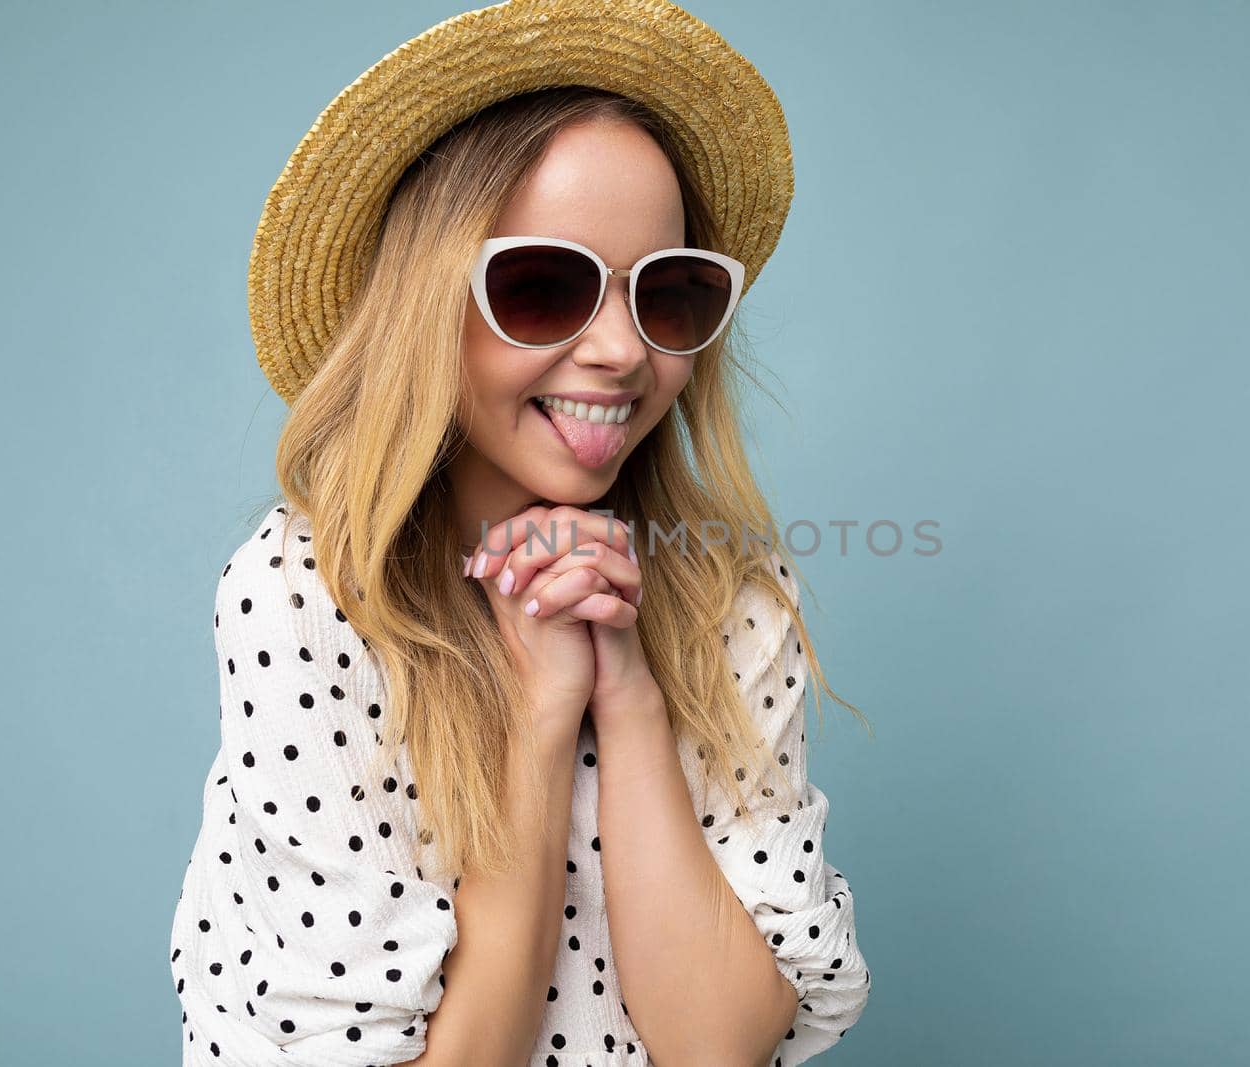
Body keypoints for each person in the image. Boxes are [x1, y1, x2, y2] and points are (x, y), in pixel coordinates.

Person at [168, 2, 873, 1064]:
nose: (621, 352)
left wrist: (626, 691)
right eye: (543, 288)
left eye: (667, 296)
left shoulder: (731, 591)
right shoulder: (312, 589)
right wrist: (539, 727)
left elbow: (720, 1048)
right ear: (424, 303)